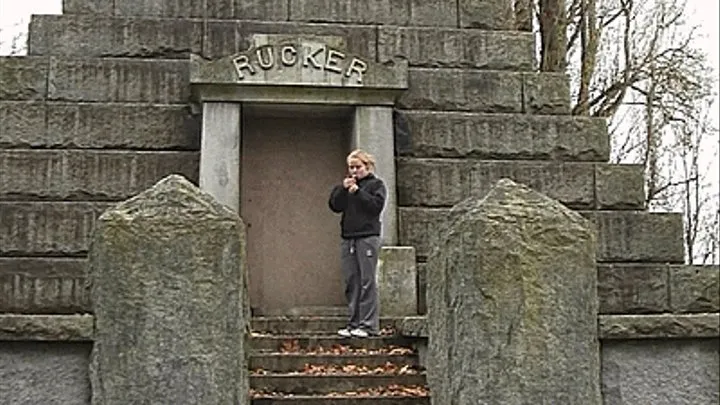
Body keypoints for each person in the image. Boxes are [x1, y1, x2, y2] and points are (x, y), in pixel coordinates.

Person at [328, 149, 386, 338]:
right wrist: (342, 190)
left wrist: (358, 192)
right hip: (349, 236)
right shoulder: (347, 187)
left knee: (367, 281)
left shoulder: (376, 185)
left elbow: (375, 207)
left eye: (358, 167)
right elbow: (335, 206)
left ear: (367, 167)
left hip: (367, 236)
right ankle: (353, 323)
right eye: (351, 167)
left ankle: (368, 324)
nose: (354, 171)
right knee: (352, 281)